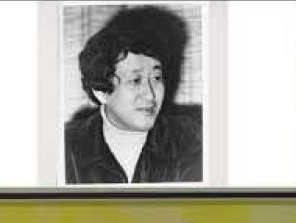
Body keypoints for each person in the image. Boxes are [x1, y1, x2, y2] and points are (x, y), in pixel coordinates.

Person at [65, 5, 202, 184]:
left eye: (157, 78)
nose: (151, 96)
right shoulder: (67, 148)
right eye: (136, 80)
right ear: (101, 92)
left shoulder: (191, 141)